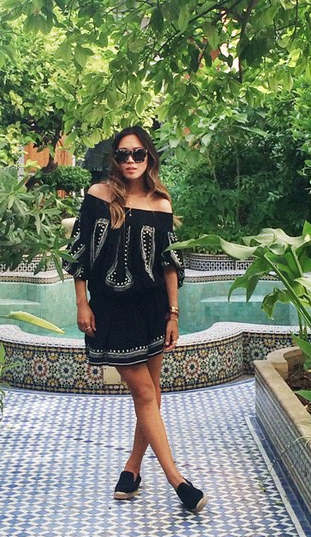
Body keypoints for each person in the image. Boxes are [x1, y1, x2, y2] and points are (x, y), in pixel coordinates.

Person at [63, 126, 208, 514]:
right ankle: (178, 481)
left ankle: (132, 468)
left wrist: (174, 313)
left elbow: (169, 263)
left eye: (138, 154)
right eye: (123, 154)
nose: (130, 161)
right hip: (111, 309)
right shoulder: (98, 196)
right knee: (144, 393)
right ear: (115, 158)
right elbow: (79, 253)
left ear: (149, 158)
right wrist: (82, 303)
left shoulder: (161, 203)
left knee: (152, 393)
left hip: (152, 308)